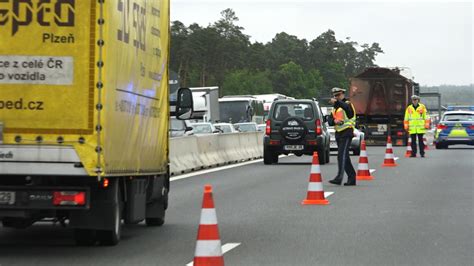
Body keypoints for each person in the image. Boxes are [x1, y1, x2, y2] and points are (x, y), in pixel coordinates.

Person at [328, 87, 357, 186]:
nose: (336, 97)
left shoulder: (348, 104)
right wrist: (334, 121)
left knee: (341, 155)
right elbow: (329, 120)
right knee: (345, 157)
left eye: (338, 95)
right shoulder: (335, 108)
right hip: (338, 133)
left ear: (343, 94)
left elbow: (349, 112)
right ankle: (352, 177)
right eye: (335, 96)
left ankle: (339, 177)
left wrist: (337, 102)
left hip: (347, 132)